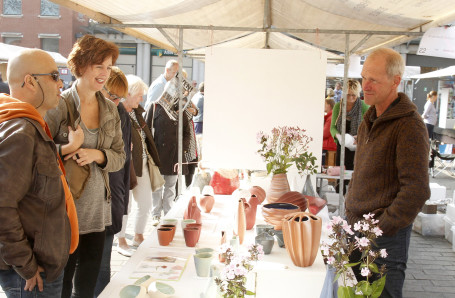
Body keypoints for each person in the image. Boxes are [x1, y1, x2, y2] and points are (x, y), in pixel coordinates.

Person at [45, 35, 125, 298]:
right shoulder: (59, 104)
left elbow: (119, 157)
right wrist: (67, 148)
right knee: (62, 286)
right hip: (65, 213)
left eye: (109, 67)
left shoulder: (110, 110)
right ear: (81, 65)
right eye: (98, 66)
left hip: (97, 212)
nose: (105, 73)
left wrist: (97, 154)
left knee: (87, 288)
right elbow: (40, 155)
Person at [346, 48, 430, 298]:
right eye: (363, 77)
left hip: (385, 239)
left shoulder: (409, 125)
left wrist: (380, 227)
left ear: (396, 81)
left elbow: (416, 190)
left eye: (374, 79)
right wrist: (351, 212)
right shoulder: (368, 119)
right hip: (356, 230)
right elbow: (362, 173)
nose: (365, 85)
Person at [0, 49, 78, 297]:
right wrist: (26, 264)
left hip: (41, 267)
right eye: (54, 76)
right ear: (30, 81)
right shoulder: (20, 130)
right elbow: (2, 205)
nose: (61, 83)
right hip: (31, 275)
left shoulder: (29, 125)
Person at [94, 67, 131, 296]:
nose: (117, 102)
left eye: (120, 98)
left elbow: (121, 164)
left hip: (108, 201)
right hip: (85, 204)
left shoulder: (120, 115)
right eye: (113, 96)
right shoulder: (85, 109)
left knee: (101, 269)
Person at [116, 74, 161, 251]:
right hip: (125, 165)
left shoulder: (137, 112)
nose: (142, 98)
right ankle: (120, 239)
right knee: (125, 204)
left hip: (141, 164)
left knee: (145, 202)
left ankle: (138, 234)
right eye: (139, 95)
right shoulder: (118, 113)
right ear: (128, 94)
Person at [145, 81, 191, 222]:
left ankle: (168, 213)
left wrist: (181, 150)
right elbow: (146, 131)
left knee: (171, 187)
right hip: (157, 154)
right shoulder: (154, 107)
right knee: (157, 187)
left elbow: (187, 133)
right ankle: (156, 214)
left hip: (174, 156)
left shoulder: (181, 111)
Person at [330, 80, 369, 172]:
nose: (351, 97)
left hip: (358, 145)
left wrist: (359, 137)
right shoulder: (338, 107)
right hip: (342, 145)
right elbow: (332, 127)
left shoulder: (364, 106)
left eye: (354, 95)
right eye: (348, 94)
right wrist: (339, 137)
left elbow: (370, 127)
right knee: (340, 172)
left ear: (358, 94)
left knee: (356, 172)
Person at [322, 98, 336, 166]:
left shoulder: (330, 118)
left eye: (325, 104)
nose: (323, 105)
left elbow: (325, 134)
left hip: (329, 145)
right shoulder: (331, 116)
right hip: (331, 144)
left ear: (329, 105)